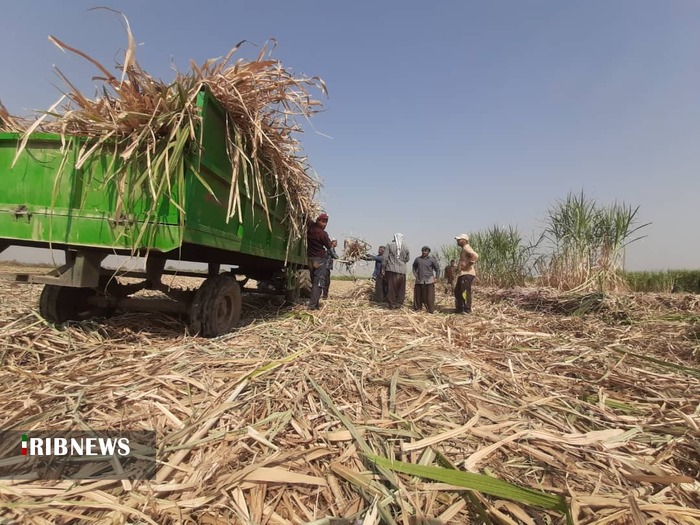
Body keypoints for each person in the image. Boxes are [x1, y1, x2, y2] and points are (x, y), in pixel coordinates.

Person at [306, 213, 333, 310]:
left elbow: (307, 219)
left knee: (314, 282)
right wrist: (333, 252)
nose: (325, 224)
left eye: (326, 222)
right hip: (319, 260)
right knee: (318, 284)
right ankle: (312, 306)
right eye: (323, 221)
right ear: (318, 220)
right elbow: (329, 246)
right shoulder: (322, 234)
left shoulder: (310, 228)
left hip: (310, 260)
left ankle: (316, 305)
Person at [381, 233, 410, 309]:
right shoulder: (406, 246)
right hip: (402, 271)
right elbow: (407, 259)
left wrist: (383, 268)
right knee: (401, 289)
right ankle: (399, 304)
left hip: (391, 270)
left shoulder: (390, 245)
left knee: (391, 288)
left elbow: (384, 258)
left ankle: (392, 304)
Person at [454, 233, 479, 313]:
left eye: (459, 239)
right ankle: (460, 308)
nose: (457, 241)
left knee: (464, 291)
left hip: (467, 274)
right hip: (463, 274)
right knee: (458, 291)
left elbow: (475, 256)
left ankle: (466, 309)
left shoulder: (466, 248)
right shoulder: (464, 248)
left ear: (464, 241)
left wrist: (467, 266)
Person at [412, 246, 441, 313]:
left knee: (430, 297)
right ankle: (417, 309)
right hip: (419, 280)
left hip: (429, 280)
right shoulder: (418, 259)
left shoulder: (432, 260)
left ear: (428, 252)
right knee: (418, 296)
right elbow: (414, 267)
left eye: (426, 251)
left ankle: (430, 310)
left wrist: (436, 277)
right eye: (423, 251)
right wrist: (415, 275)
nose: (424, 252)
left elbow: (437, 269)